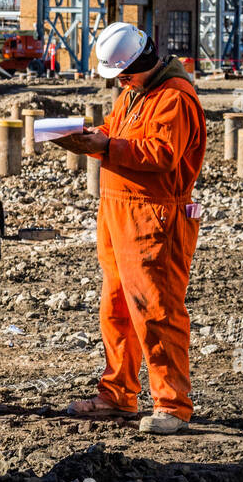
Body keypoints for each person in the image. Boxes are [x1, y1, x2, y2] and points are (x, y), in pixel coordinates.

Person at [56, 22, 205, 435]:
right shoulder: (133, 94)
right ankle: (118, 393)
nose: (120, 82)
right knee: (116, 308)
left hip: (155, 217)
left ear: (143, 62)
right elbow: (116, 131)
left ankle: (172, 405)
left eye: (123, 74)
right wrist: (92, 136)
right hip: (119, 214)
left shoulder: (174, 98)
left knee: (157, 311)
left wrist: (107, 147)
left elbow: (161, 155)